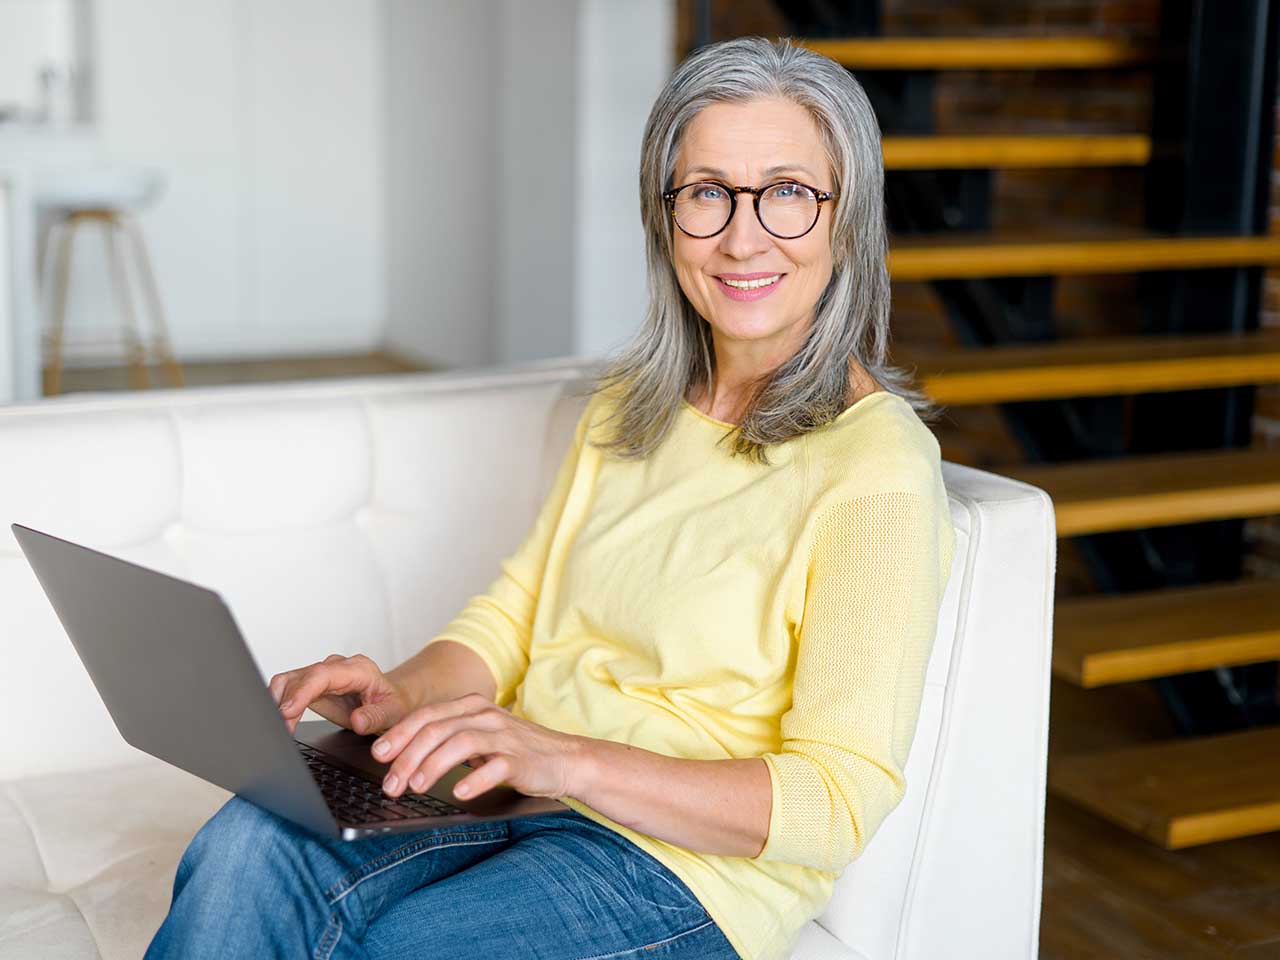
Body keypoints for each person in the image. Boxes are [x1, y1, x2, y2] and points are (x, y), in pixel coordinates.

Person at [145, 35, 955, 960]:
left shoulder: (877, 465)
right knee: (248, 842)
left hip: (679, 864)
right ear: (664, 217)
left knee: (408, 948)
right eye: (706, 193)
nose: (742, 235)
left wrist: (567, 758)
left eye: (787, 193)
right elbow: (516, 617)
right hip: (513, 785)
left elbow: (836, 802)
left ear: (846, 220)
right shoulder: (631, 406)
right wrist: (397, 695)